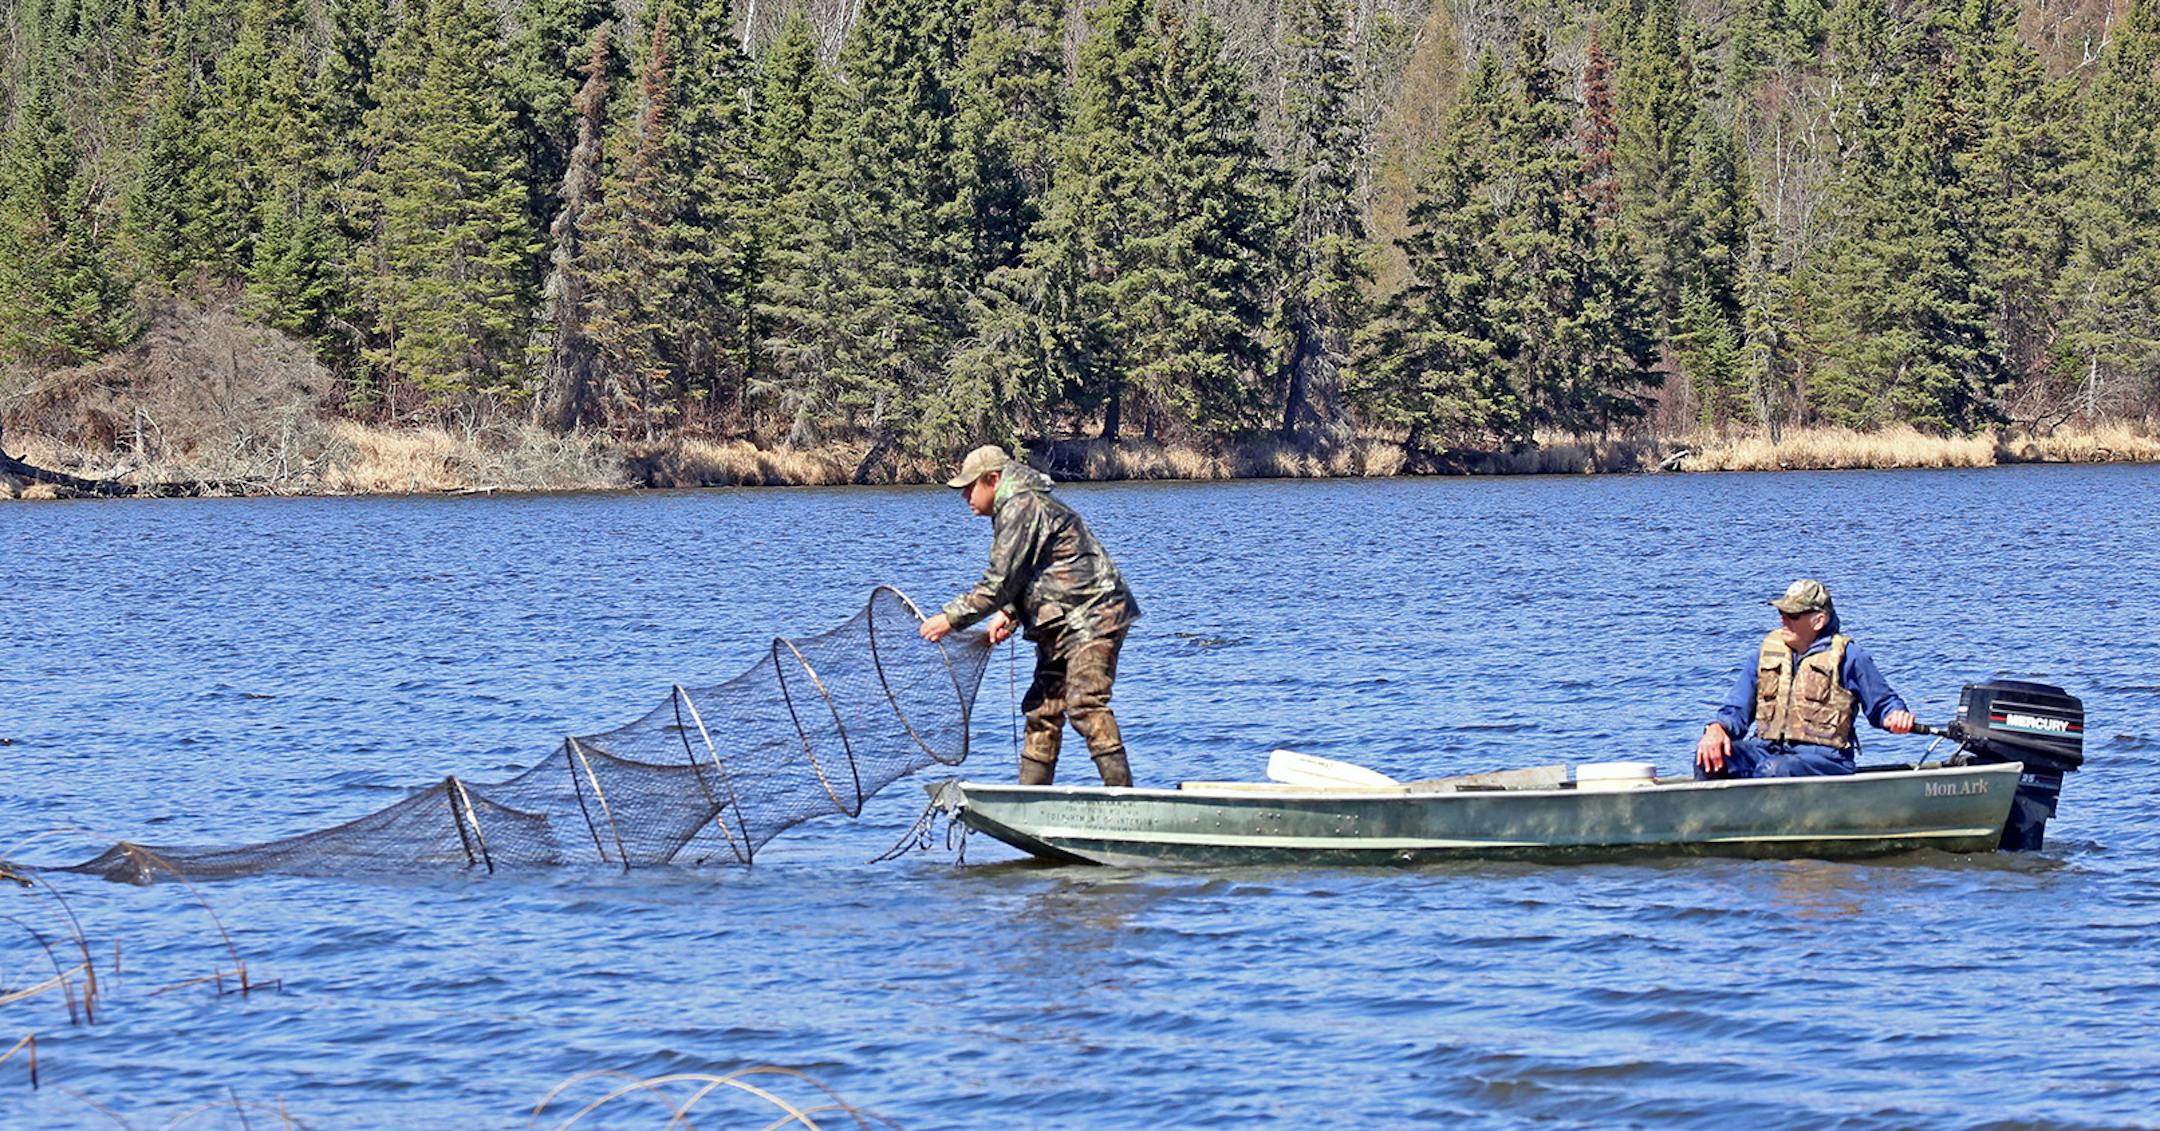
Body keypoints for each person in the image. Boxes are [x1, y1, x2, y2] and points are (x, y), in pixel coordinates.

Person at [918, 445, 1140, 787]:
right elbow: (1032, 570)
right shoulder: (1017, 506)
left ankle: (1125, 799)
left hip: (1094, 615)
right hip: (1062, 623)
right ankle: (1031, 801)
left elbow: (1000, 581)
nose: (964, 496)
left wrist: (950, 618)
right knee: (1042, 709)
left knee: (1085, 701)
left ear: (993, 479)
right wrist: (1010, 612)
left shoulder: (1022, 504)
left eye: (969, 487)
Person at [1695, 579, 1916, 779]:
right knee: (1709, 757)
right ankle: (1707, 821)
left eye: (1793, 615)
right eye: (1781, 612)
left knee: (1775, 770)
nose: (1783, 619)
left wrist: (1894, 716)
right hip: (1767, 750)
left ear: (1818, 620)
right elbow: (1736, 709)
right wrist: (1717, 728)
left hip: (1826, 760)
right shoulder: (1764, 657)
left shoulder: (1849, 657)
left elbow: (1884, 704)